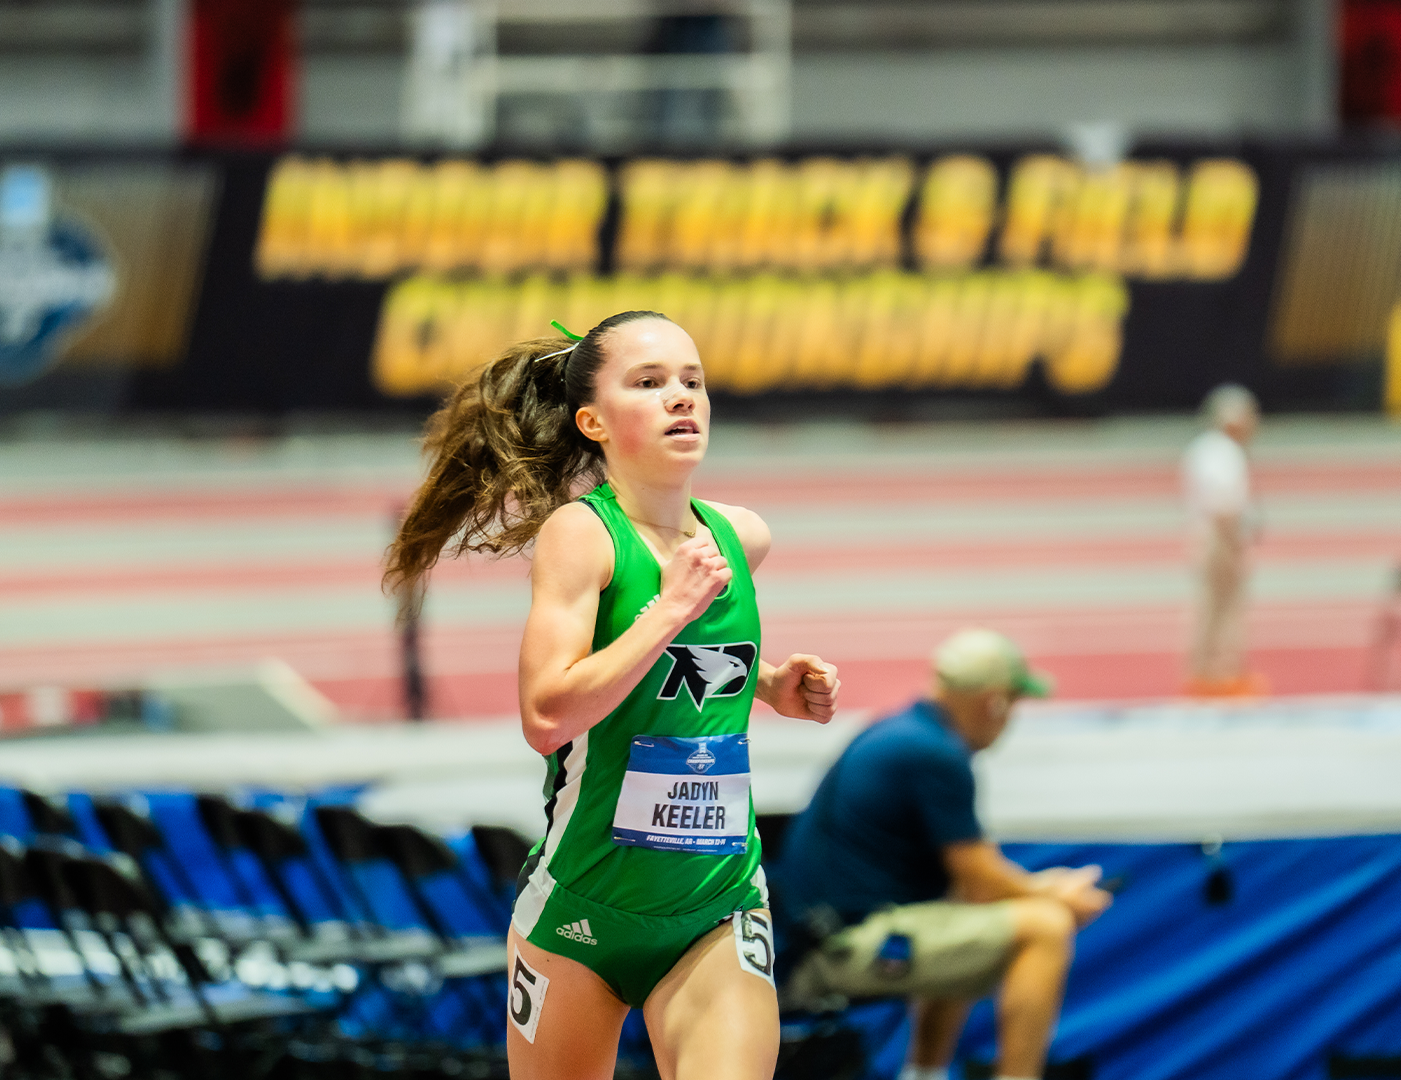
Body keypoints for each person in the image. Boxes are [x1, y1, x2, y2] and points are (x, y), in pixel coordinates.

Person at [384, 311, 841, 1080]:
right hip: (580, 908)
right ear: (592, 420)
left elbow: (684, 665)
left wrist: (769, 686)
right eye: (651, 383)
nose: (681, 399)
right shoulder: (583, 536)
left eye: (692, 382)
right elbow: (548, 715)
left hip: (717, 903)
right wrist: (670, 607)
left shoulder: (741, 537)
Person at [772, 629, 1111, 1080]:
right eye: (1013, 703)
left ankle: (924, 1075)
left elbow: (977, 878)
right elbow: (981, 878)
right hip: (834, 951)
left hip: (816, 937)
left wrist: (1038, 887)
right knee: (1045, 928)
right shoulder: (936, 754)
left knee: (963, 915)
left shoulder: (901, 731)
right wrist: (1054, 899)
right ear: (994, 703)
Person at [1182, 384, 1264, 697]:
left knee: (1213, 606)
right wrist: (1235, 543)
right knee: (1224, 607)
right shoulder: (1222, 451)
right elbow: (1224, 507)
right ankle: (1219, 675)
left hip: (1212, 534)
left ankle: (1208, 672)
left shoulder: (1209, 448)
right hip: (1221, 537)